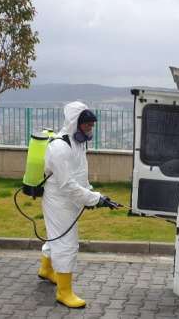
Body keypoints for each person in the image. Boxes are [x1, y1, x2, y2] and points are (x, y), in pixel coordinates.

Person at [37, 101, 115, 308]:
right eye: (87, 125)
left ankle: (46, 269)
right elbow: (67, 185)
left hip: (70, 199)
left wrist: (90, 192)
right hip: (59, 200)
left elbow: (79, 173)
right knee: (66, 242)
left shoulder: (78, 143)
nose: (90, 129)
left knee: (56, 235)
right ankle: (64, 292)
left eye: (92, 125)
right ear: (75, 123)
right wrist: (94, 198)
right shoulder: (60, 147)